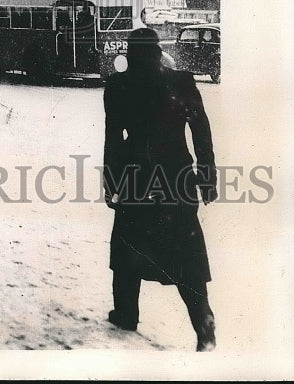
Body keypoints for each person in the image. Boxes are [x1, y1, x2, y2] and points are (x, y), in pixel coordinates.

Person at [103, 27, 217, 351]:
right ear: (157, 53)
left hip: (136, 178)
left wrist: (111, 182)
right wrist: (206, 177)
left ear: (130, 54)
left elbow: (113, 138)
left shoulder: (119, 86)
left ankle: (126, 312)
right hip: (176, 179)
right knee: (186, 252)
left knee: (128, 245)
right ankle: (203, 320)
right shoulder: (180, 82)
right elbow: (201, 132)